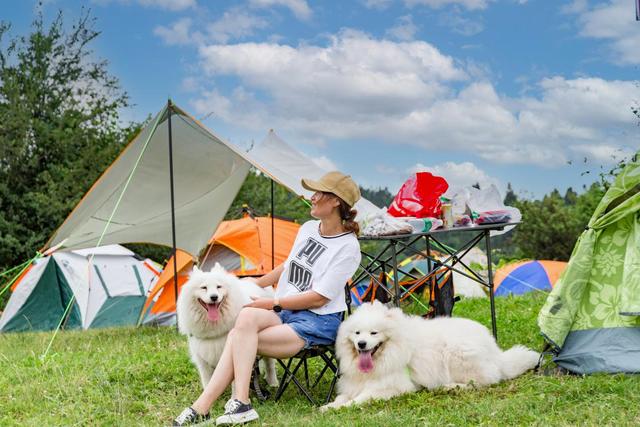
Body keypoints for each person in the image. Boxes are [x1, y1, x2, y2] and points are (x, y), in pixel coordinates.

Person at [173, 171, 362, 426]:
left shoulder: (348, 247)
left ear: (336, 201)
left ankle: (209, 406)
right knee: (247, 317)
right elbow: (289, 265)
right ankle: (237, 402)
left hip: (317, 322)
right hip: (286, 313)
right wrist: (255, 283)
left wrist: (272, 302)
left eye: (319, 193)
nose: (312, 197)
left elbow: (319, 298)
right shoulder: (308, 229)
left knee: (239, 337)